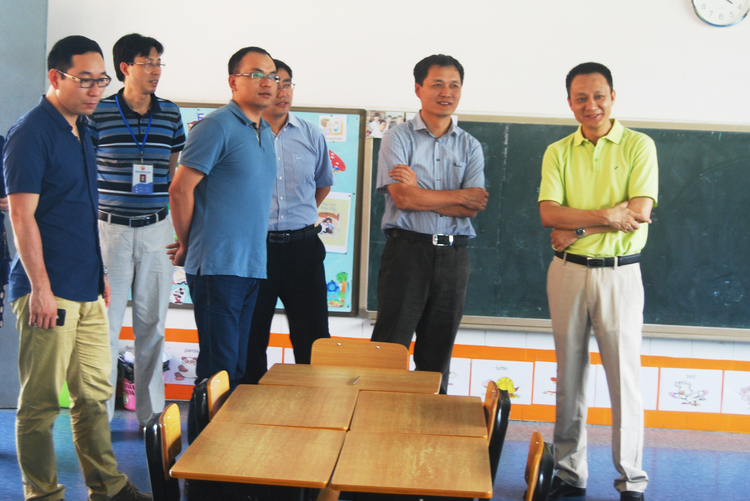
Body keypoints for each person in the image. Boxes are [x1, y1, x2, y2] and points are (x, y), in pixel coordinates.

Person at [3, 35, 151, 501]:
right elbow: (21, 216)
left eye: (101, 80)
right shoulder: (31, 133)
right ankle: (43, 494)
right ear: (55, 77)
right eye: (85, 80)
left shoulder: (82, 130)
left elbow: (79, 210)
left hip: (86, 285)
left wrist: (99, 271)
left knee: (93, 396)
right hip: (48, 290)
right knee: (42, 403)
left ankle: (107, 488)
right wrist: (40, 288)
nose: (95, 90)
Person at [538, 62, 658, 501]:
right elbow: (549, 214)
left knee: (623, 379)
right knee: (569, 379)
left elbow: (640, 211)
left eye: (599, 96)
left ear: (612, 96)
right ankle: (570, 474)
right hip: (567, 271)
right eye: (581, 98)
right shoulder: (558, 151)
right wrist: (608, 215)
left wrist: (581, 227)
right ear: (570, 103)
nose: (591, 105)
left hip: (619, 273)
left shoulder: (639, 145)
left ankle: (632, 480)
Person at [168, 46, 278, 442]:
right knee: (217, 372)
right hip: (217, 267)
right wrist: (187, 244)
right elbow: (180, 189)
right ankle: (201, 462)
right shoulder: (215, 126)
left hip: (250, 266)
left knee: (236, 369)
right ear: (233, 81)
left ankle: (223, 455)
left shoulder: (265, 131)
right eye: (256, 74)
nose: (268, 82)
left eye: (273, 76)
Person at [370, 54, 488, 394]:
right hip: (408, 251)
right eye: (437, 84)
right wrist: (457, 196)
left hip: (453, 258)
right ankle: (377, 418)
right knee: (390, 348)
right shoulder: (397, 138)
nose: (446, 92)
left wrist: (420, 190)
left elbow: (473, 208)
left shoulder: (470, 146)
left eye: (454, 85)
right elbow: (403, 199)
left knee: (437, 356)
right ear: (418, 89)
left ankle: (428, 422)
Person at [89, 33, 186, 427]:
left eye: (159, 62)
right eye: (148, 62)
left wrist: (178, 229)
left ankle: (151, 418)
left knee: (153, 326)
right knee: (104, 327)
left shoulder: (170, 113)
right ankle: (96, 419)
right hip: (109, 230)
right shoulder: (98, 112)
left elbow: (172, 173)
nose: (156, 70)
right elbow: (84, 172)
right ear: (125, 67)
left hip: (156, 229)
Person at [240, 59, 334, 385]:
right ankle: (250, 410)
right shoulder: (242, 134)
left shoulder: (311, 134)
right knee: (251, 339)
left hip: (303, 250)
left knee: (314, 340)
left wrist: (298, 219)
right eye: (275, 82)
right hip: (256, 250)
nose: (283, 91)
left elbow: (322, 184)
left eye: (288, 83)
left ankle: (315, 407)